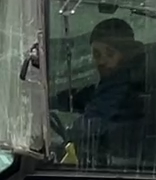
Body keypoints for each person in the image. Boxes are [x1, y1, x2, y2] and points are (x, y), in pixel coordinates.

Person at [54, 17, 147, 162]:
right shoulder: (117, 79)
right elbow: (89, 95)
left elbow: (90, 125)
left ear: (125, 54)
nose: (102, 61)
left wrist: (62, 133)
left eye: (110, 54)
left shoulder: (126, 87)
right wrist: (55, 100)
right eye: (97, 54)